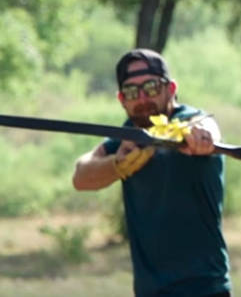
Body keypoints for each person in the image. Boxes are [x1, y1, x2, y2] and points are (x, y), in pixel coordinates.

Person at [72, 48, 231, 297]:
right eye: (132, 92)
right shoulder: (129, 136)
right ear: (122, 99)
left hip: (203, 287)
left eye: (151, 87)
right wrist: (116, 164)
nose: (143, 98)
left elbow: (207, 126)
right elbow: (81, 176)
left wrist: (198, 136)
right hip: (150, 291)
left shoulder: (188, 119)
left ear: (171, 89)